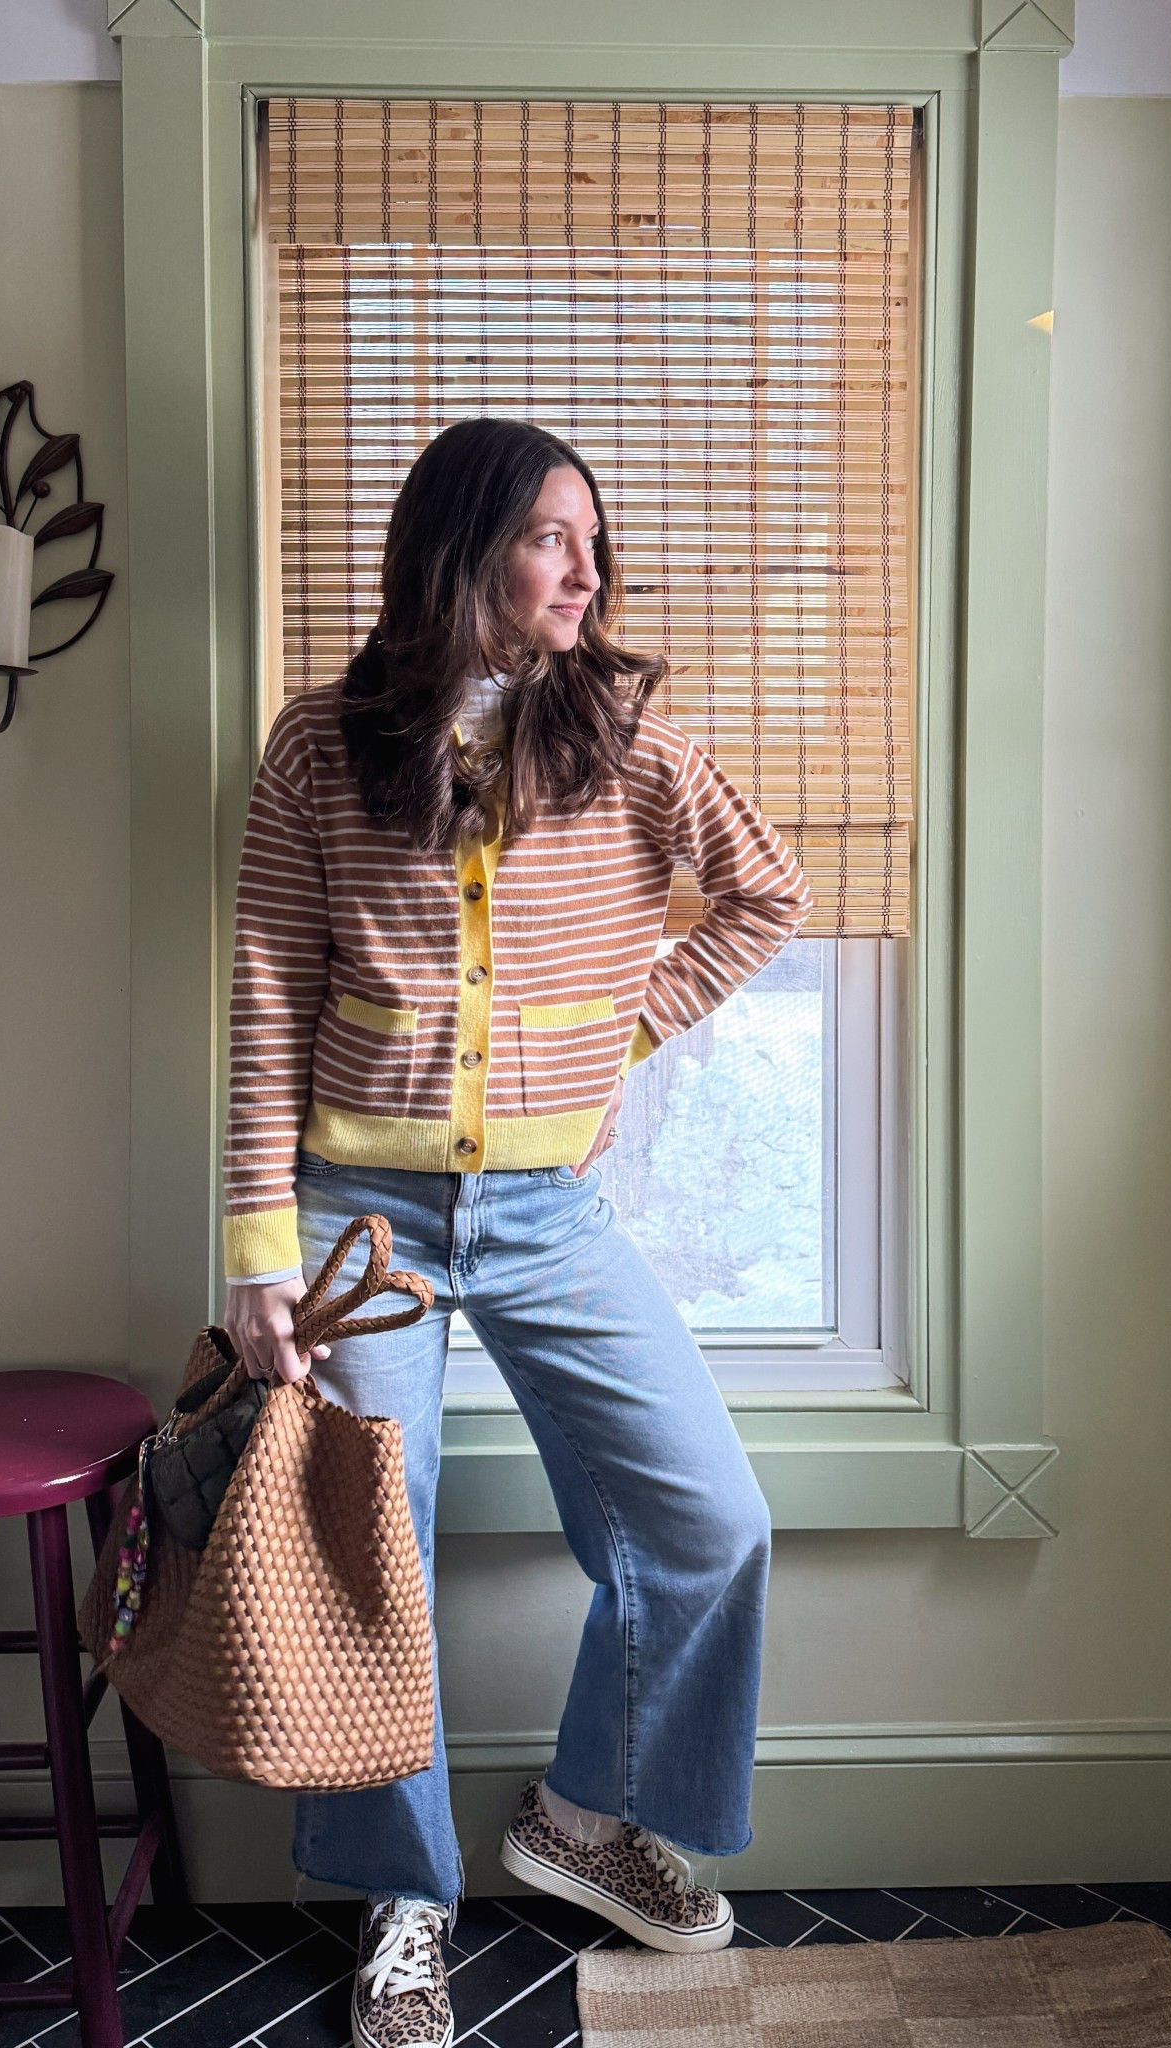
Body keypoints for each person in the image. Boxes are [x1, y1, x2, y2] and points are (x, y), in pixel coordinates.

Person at [221, 415, 813, 2048]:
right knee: (369, 1554)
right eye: (557, 537)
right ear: (464, 547)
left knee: (708, 1522)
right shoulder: (319, 749)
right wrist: (258, 1247)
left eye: (595, 543)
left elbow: (767, 894)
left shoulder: (626, 739)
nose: (588, 570)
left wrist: (622, 1033)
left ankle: (579, 1817)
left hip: (551, 1210)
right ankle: (400, 1902)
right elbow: (270, 994)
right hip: (362, 1223)